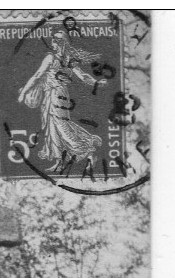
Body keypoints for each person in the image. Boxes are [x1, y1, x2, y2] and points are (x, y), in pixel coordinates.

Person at [17, 29, 108, 171]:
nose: (53, 42)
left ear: (63, 43)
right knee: (53, 126)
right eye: (53, 39)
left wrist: (23, 92)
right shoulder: (66, 60)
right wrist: (96, 83)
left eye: (57, 40)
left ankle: (87, 150)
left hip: (56, 94)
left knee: (60, 126)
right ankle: (59, 161)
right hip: (55, 94)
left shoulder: (56, 59)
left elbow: (37, 76)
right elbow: (82, 76)